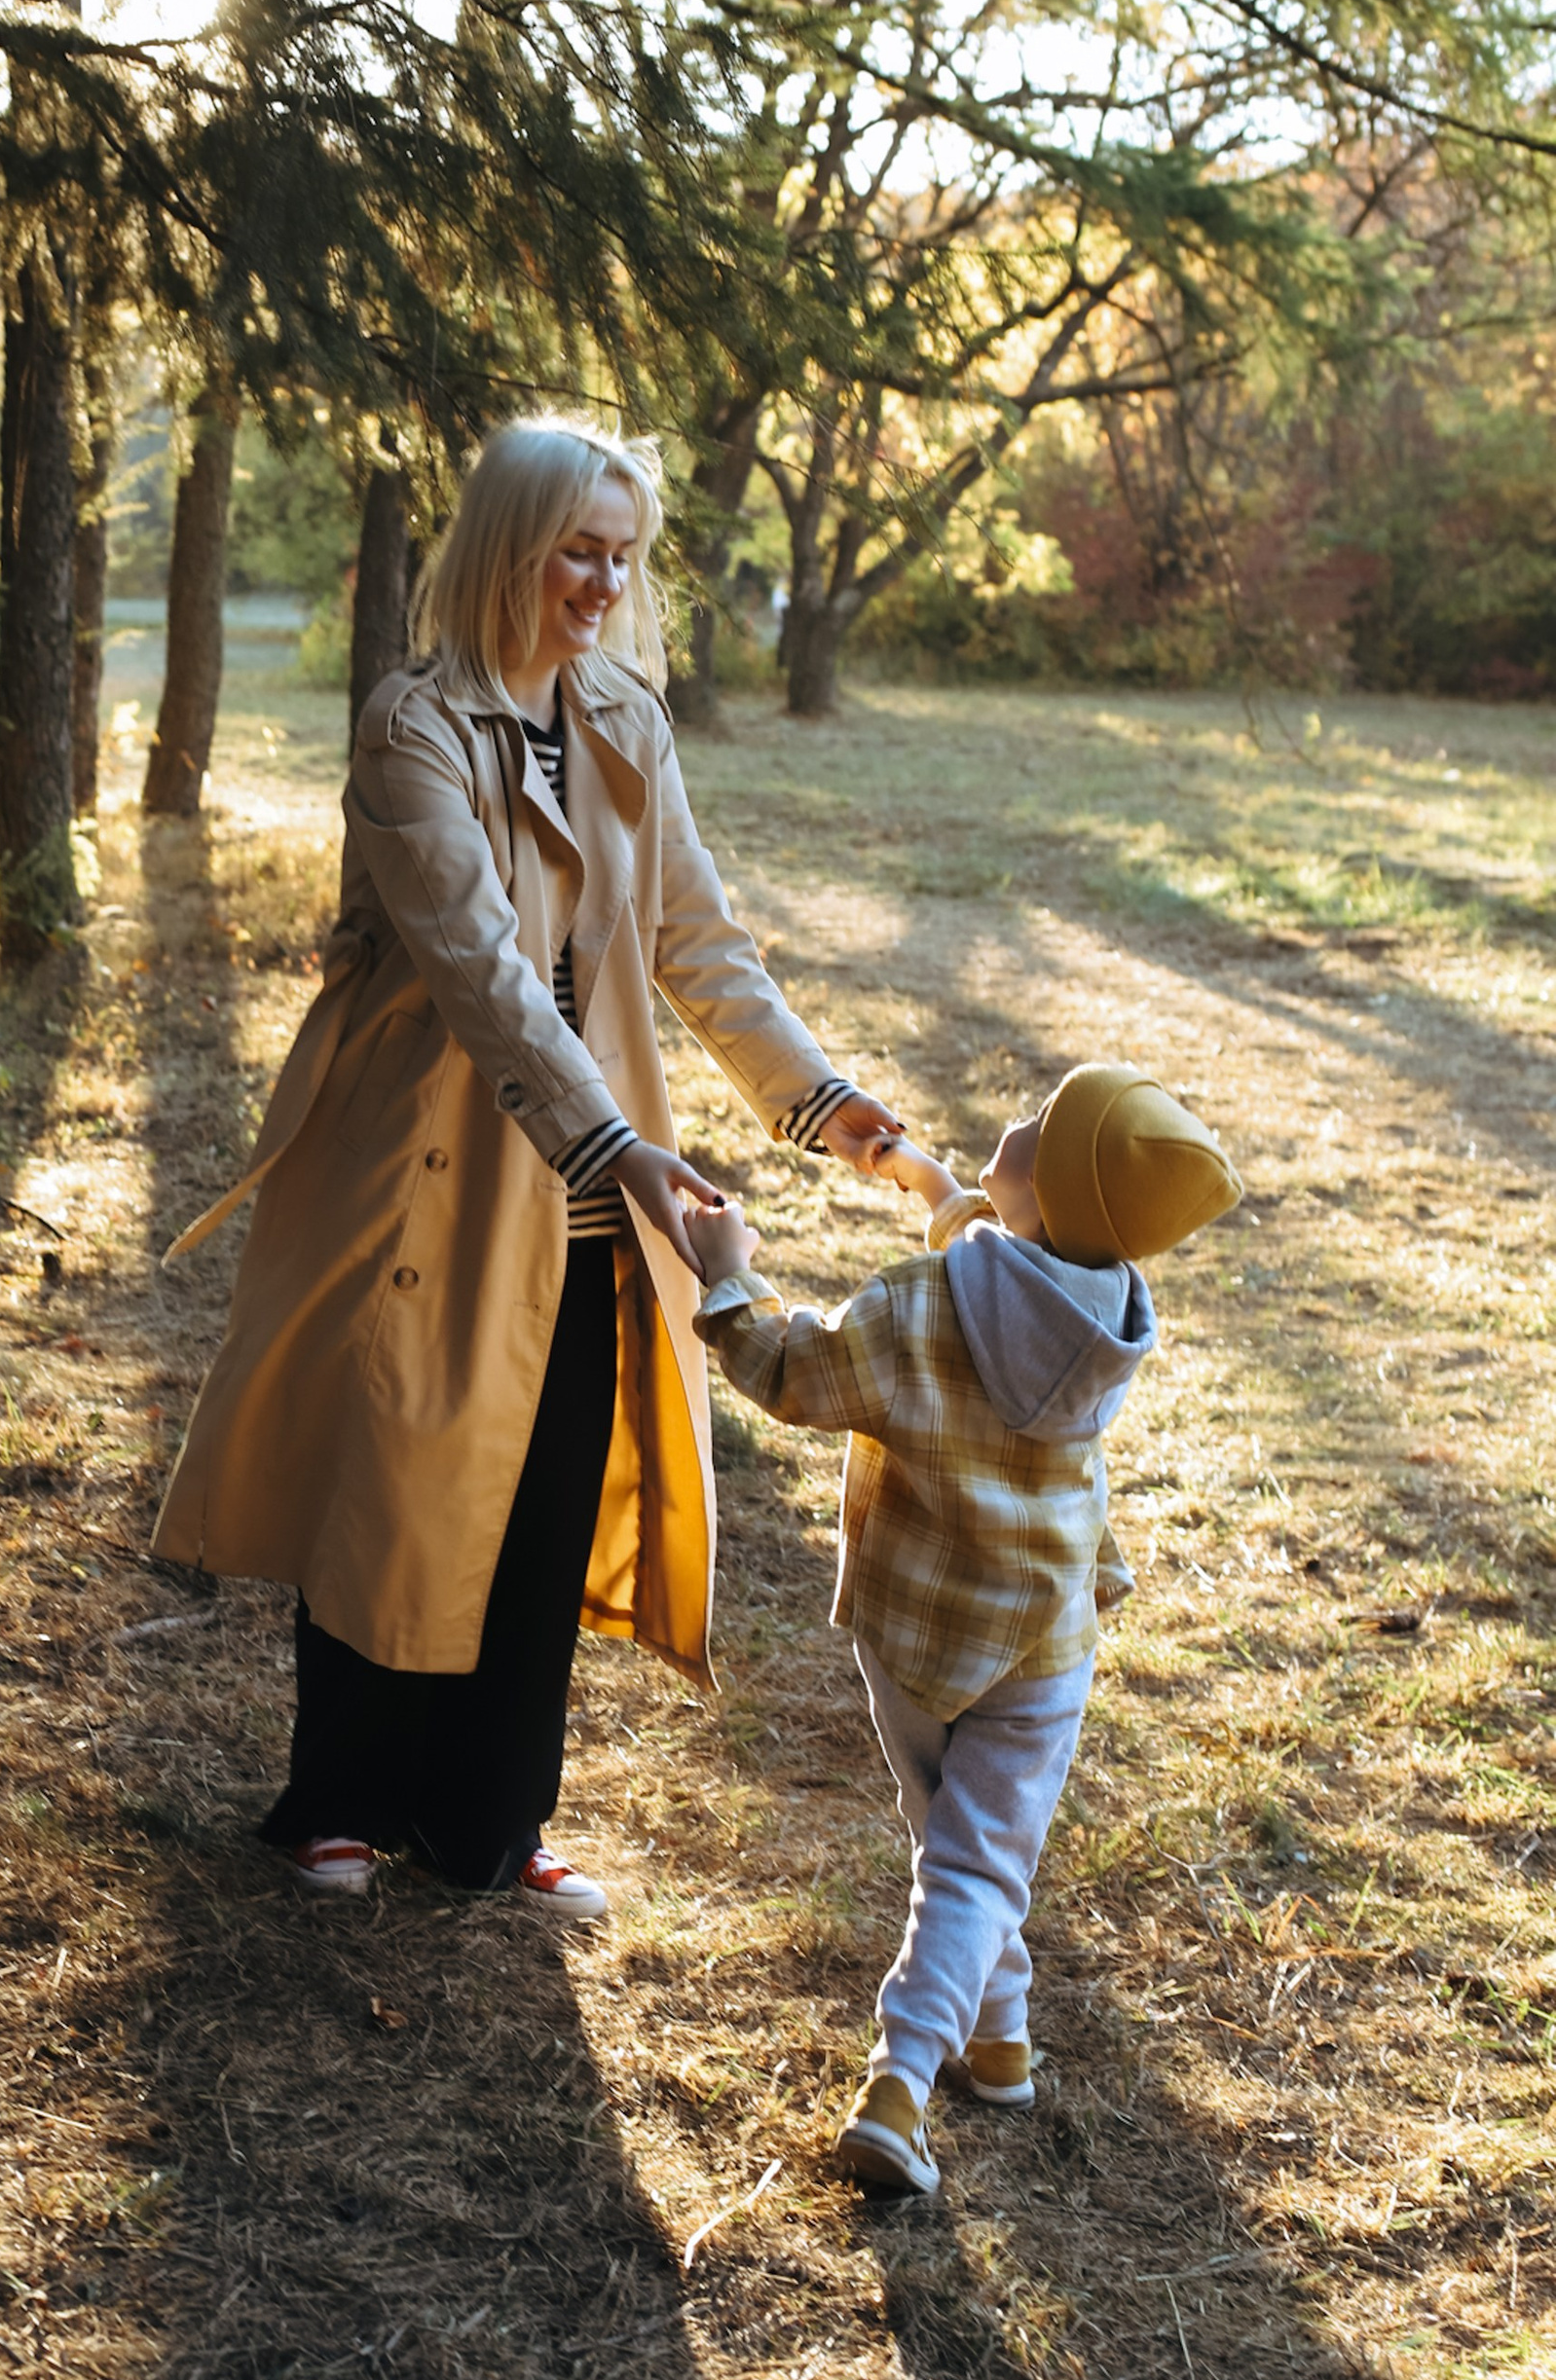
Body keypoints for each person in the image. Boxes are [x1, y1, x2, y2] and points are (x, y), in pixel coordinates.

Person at [152, 416, 903, 1918]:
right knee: (410, 1467)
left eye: (621, 557)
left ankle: (488, 1824)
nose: (601, 582)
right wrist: (619, 1146)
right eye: (578, 548)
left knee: (552, 1486)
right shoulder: (411, 725)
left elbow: (698, 938)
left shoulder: (627, 716)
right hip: (434, 1162)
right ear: (508, 544)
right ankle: (335, 1804)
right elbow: (481, 970)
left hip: (596, 1174)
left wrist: (821, 1102)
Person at [685, 1061, 1240, 2192]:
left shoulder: (920, 1305)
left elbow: (793, 1372)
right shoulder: (1102, 1315)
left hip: (913, 1633)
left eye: (1040, 1126)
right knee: (973, 1855)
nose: (1019, 1118)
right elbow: (1001, 1257)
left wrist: (727, 1278)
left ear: (1047, 1195)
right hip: (1042, 1640)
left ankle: (900, 2082)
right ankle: (999, 2042)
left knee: (958, 1856)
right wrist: (923, 1174)